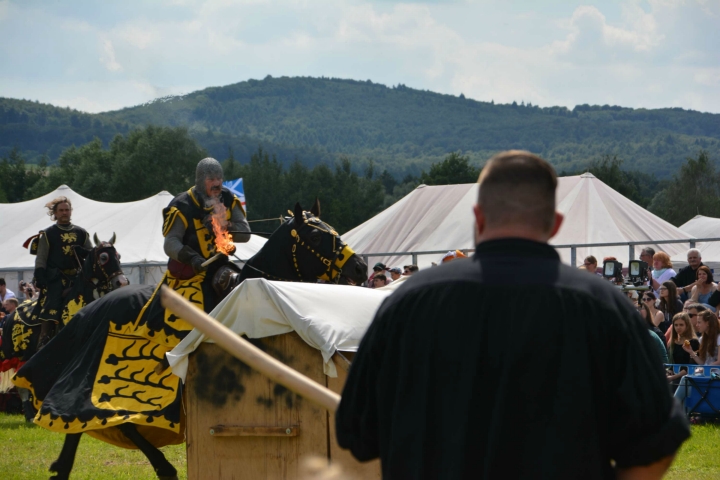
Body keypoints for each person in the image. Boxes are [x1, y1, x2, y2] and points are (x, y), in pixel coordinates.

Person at [336, 150, 688, 479]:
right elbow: (657, 440)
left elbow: (358, 435)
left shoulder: (407, 302)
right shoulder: (602, 307)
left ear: (478, 216)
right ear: (554, 223)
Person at [138, 157, 251, 333]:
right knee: (198, 313)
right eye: (211, 179)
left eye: (219, 178)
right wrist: (191, 258)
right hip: (191, 272)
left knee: (246, 292)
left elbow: (245, 234)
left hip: (221, 268)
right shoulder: (182, 205)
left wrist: (224, 226)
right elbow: (170, 243)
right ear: (200, 180)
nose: (216, 183)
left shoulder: (228, 198)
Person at [31, 196, 92, 325]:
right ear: (55, 213)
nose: (64, 212)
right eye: (61, 210)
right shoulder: (48, 234)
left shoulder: (81, 233)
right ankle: (44, 337)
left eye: (67, 210)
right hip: (56, 278)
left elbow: (92, 255)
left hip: (77, 276)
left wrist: (84, 251)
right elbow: (41, 258)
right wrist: (39, 276)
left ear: (71, 211)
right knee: (52, 306)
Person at [666, 312, 699, 386]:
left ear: (687, 326)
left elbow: (691, 366)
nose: (678, 327)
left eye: (681, 325)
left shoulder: (693, 342)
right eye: (676, 325)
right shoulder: (672, 342)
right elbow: (672, 362)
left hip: (687, 377)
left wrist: (673, 377)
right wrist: (669, 372)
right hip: (674, 375)